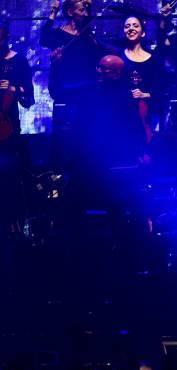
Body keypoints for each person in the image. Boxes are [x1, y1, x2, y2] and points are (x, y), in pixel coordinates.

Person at [0, 18, 34, 234]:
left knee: (9, 178)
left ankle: (14, 224)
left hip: (8, 128)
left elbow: (29, 98)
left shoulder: (19, 61)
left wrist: (13, 88)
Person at [40, 0, 102, 103]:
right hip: (65, 87)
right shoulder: (59, 34)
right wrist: (54, 11)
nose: (85, 13)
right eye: (81, 10)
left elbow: (88, 20)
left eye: (85, 10)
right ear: (70, 12)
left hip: (86, 88)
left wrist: (89, 7)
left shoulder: (86, 34)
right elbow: (43, 39)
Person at [119, 15, 165, 145]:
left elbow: (162, 88)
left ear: (143, 33)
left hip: (147, 115)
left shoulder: (153, 59)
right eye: (127, 26)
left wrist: (145, 94)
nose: (131, 28)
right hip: (122, 112)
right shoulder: (118, 57)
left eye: (135, 25)